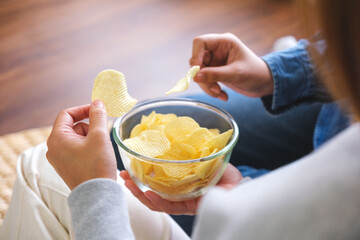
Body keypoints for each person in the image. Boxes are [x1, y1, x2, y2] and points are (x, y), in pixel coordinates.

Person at [2, 0, 360, 239]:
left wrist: (93, 194)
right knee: (123, 138)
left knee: (41, 169)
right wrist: (279, 71)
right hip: (335, 116)